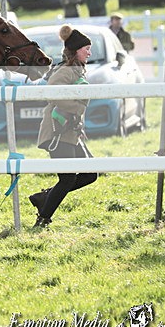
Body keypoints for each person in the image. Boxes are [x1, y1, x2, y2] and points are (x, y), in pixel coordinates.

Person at [29, 24, 98, 228]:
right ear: (76, 50)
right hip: (58, 132)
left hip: (69, 133)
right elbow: (52, 92)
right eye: (87, 49)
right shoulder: (67, 70)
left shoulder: (76, 69)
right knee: (67, 179)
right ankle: (42, 219)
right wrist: (78, 108)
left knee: (90, 174)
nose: (89, 53)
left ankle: (44, 197)